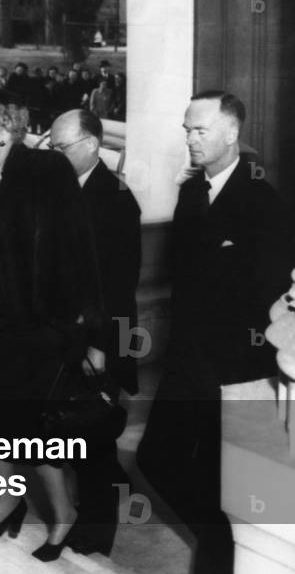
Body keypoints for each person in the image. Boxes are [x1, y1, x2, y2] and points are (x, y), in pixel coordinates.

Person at [0, 89, 103, 562]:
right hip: (4, 324)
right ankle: (9, 503)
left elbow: (78, 249)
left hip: (47, 324)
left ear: (6, 133)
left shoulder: (43, 171)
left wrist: (88, 331)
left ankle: (58, 513)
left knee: (28, 424)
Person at [136, 91, 290, 574]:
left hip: (237, 369)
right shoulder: (191, 191)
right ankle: (220, 543)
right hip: (188, 361)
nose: (190, 139)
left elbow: (266, 294)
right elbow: (185, 277)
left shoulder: (262, 198)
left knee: (247, 482)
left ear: (231, 133)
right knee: (158, 459)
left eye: (200, 130)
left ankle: (226, 558)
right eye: (187, 129)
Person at [50, 109, 140, 556]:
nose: (54, 154)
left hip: (102, 338)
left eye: (60, 147)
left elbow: (119, 286)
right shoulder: (66, 190)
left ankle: (98, 530)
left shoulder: (117, 198)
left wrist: (101, 346)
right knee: (76, 431)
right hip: (71, 335)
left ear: (89, 144)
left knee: (95, 435)